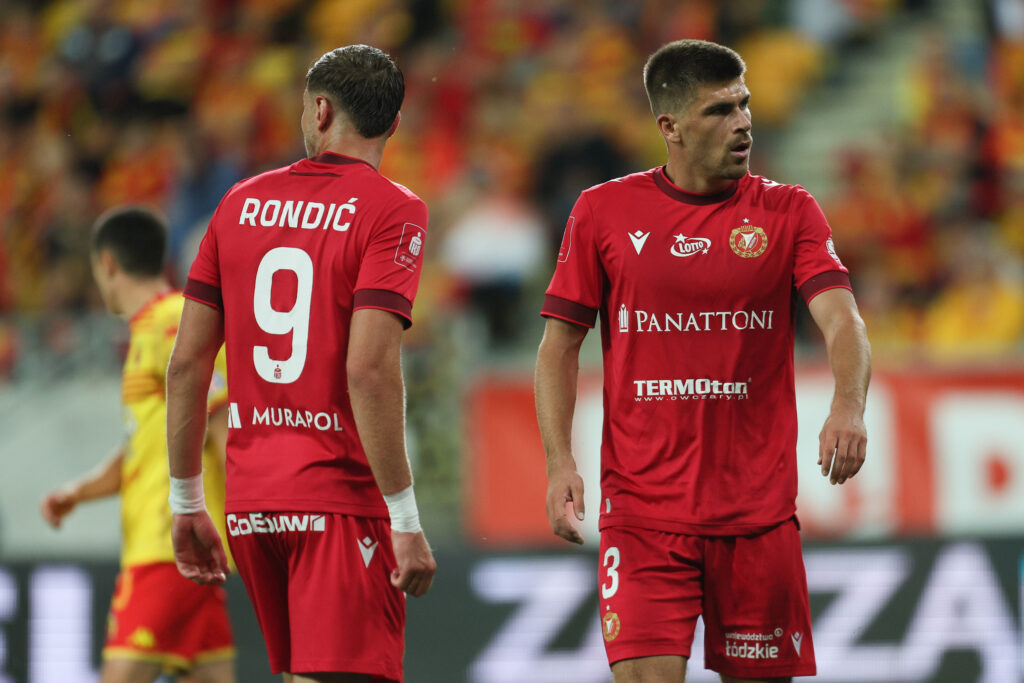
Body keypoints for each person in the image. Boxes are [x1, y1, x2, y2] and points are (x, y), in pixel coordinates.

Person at [535, 39, 871, 683]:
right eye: (720, 110)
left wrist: (848, 406)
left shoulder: (789, 210)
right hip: (643, 517)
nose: (743, 122)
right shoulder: (602, 212)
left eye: (745, 104)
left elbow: (843, 320)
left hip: (757, 517)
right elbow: (558, 346)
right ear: (671, 127)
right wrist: (559, 463)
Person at [165, 44, 437, 682]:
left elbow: (187, 365)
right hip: (338, 498)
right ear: (393, 124)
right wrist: (404, 517)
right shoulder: (394, 209)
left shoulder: (238, 203)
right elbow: (368, 370)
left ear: (319, 110)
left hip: (252, 503)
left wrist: (185, 500)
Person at [41, 207, 235, 683]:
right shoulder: (157, 326)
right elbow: (145, 445)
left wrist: (254, 524)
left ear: (107, 264)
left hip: (166, 548)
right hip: (186, 551)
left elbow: (221, 422)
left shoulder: (172, 323)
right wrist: (80, 492)